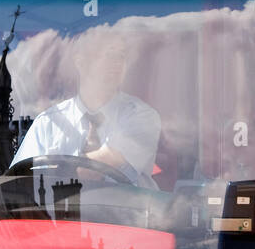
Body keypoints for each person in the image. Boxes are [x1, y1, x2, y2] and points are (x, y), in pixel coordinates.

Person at [9, 26, 160, 187]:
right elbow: (17, 183)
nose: (116, 63)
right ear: (81, 61)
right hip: (61, 211)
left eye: (121, 56)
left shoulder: (141, 116)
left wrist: (55, 171)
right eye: (108, 54)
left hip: (127, 211)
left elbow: (105, 161)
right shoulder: (48, 124)